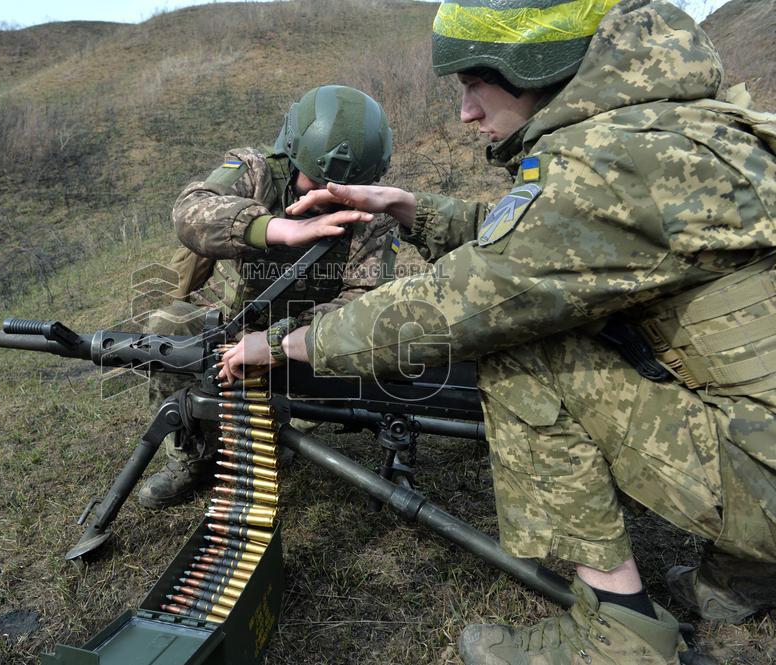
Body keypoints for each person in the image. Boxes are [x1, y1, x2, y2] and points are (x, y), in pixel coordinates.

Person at [219, 0, 776, 662]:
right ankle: (742, 578)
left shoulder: (602, 168)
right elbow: (558, 240)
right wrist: (412, 209)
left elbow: (456, 304)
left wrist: (280, 344)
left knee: (516, 344)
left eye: (472, 86)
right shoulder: (675, 128)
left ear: (531, 68)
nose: (466, 113)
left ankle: (620, 638)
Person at [138, 85, 398, 509]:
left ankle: (272, 434)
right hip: (224, 321)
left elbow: (363, 299)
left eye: (342, 188)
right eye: (317, 180)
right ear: (293, 154)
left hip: (299, 338)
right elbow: (190, 211)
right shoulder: (255, 170)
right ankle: (194, 456)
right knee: (166, 331)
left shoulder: (371, 216)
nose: (326, 196)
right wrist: (274, 229)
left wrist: (279, 340)